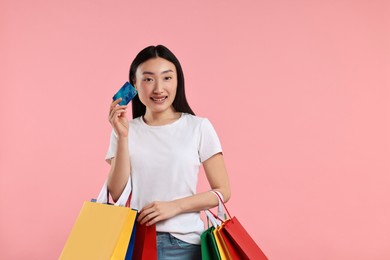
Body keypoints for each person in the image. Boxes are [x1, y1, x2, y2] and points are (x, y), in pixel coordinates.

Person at [106, 45, 230, 259]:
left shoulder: (198, 127)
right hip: (137, 242)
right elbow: (116, 193)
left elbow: (223, 191)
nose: (158, 89)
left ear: (177, 81)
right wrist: (123, 136)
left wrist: (175, 207)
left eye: (167, 78)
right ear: (134, 84)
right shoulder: (126, 130)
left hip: (185, 245)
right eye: (148, 79)